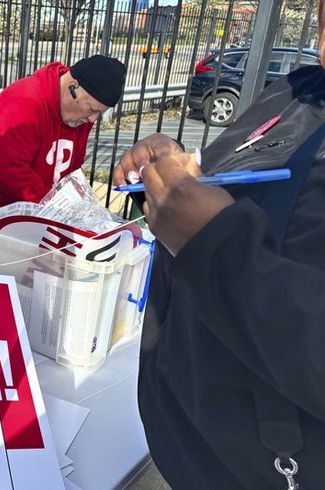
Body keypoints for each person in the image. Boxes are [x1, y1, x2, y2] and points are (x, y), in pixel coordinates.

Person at [112, 4, 325, 486]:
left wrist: (217, 246)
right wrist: (171, 174)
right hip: (182, 442)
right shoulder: (298, 90)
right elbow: (219, 179)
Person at [0, 55, 126, 266]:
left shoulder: (80, 114)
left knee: (11, 271)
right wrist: (53, 209)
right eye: (93, 110)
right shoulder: (26, 102)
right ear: (73, 86)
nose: (92, 120)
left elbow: (72, 166)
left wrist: (75, 206)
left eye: (100, 113)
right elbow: (11, 170)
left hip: (23, 204)